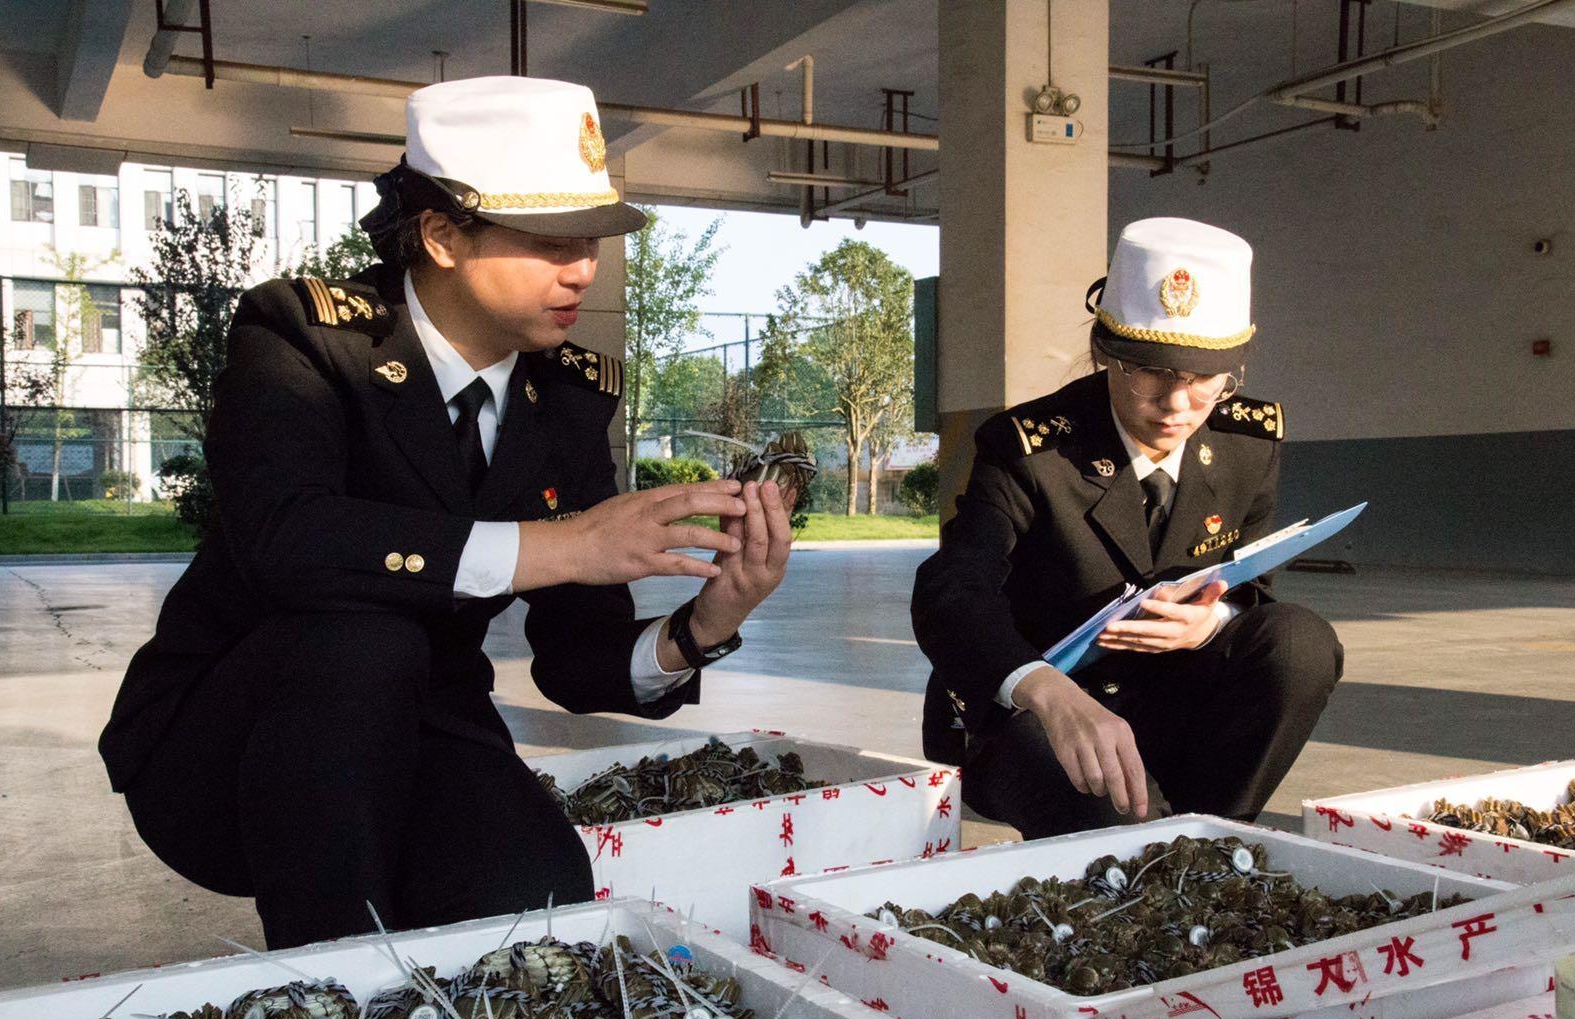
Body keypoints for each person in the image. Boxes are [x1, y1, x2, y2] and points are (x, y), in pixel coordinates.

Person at [99, 77, 794, 948]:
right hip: (233, 736)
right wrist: (553, 545)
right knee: (365, 643)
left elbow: (574, 665)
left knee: (534, 898)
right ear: (439, 235)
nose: (582, 266)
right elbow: (286, 539)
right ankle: (325, 990)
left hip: (428, 717)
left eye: (592, 238)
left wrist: (704, 623)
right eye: (548, 240)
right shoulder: (306, 339)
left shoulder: (568, 397)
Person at [912, 217, 1343, 840]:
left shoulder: (1247, 441)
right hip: (1040, 717)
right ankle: (1153, 852)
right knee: (1115, 822)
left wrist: (1212, 621)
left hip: (1174, 702)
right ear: (1105, 353)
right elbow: (953, 590)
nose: (1177, 405)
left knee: (1298, 641)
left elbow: (1252, 581)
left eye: (1204, 380)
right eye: (1151, 373)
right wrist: (1046, 692)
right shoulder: (1030, 450)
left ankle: (1215, 840)